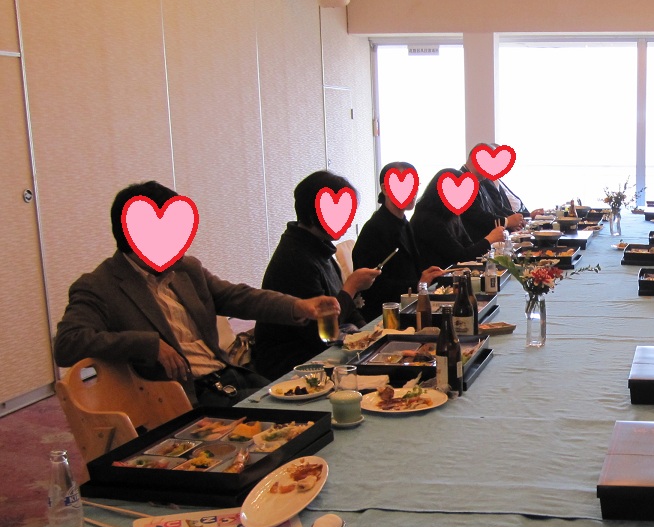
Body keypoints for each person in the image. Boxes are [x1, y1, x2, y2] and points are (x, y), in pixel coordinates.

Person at [54, 181, 335, 406]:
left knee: (319, 398)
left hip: (226, 375)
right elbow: (68, 344)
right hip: (183, 395)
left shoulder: (186, 269)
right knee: (298, 415)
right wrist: (149, 345)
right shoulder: (99, 285)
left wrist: (298, 306)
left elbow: (237, 297)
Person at [254, 171, 381, 380]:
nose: (347, 221)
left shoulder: (319, 248)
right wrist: (351, 287)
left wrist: (369, 333)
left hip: (322, 350)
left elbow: (348, 311)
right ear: (314, 214)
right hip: (292, 363)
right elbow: (320, 333)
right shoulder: (294, 258)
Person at [352, 162, 445, 321]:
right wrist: (418, 283)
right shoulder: (375, 228)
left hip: (409, 306)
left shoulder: (403, 222)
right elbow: (374, 286)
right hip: (385, 315)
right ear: (385, 189)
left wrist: (426, 276)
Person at [410, 169, 507, 270]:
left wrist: (488, 242)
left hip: (453, 272)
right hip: (437, 276)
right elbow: (460, 256)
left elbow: (468, 246)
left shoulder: (451, 215)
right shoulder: (427, 219)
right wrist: (490, 239)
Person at [461, 146, 525, 242]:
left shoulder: (480, 180)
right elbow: (477, 216)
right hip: (476, 242)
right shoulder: (463, 181)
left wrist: (514, 219)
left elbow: (494, 209)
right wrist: (507, 221)